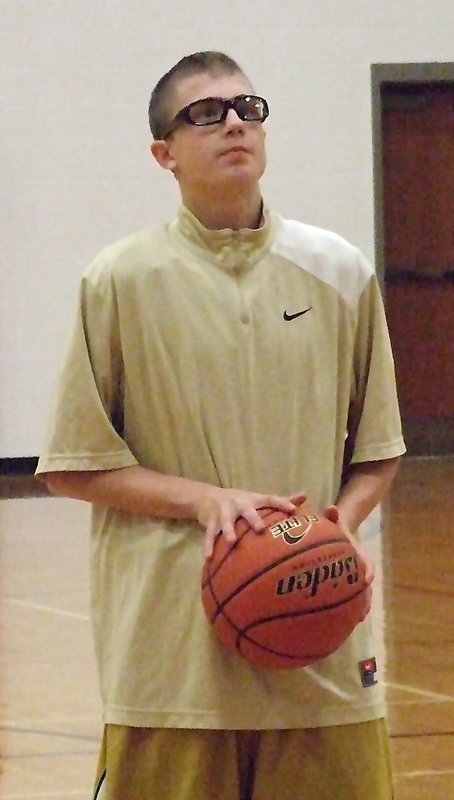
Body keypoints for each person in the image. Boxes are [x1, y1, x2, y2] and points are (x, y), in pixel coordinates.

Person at [36, 51, 405, 800]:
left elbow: (378, 453)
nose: (234, 122)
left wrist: (336, 532)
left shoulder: (339, 269)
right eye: (206, 113)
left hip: (320, 650)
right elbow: (72, 463)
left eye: (248, 107)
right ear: (164, 154)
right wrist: (205, 500)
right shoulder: (119, 279)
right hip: (171, 661)